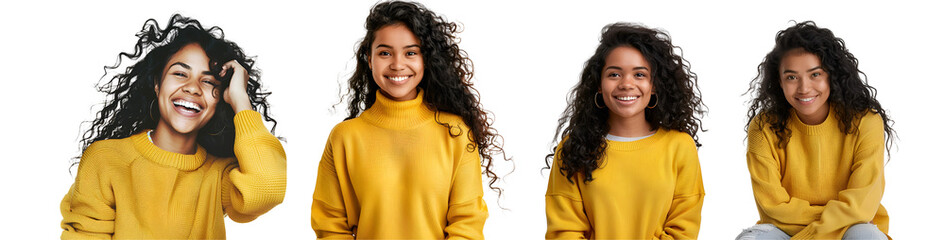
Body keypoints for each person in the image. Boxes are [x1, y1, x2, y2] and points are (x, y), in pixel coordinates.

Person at [59, 14, 285, 239]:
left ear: (221, 100)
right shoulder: (106, 159)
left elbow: (267, 189)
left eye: (207, 81)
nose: (192, 88)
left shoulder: (219, 174)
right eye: (180, 74)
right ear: (157, 84)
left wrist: (241, 101)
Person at [311, 1, 506, 239]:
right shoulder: (344, 137)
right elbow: (330, 226)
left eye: (411, 52)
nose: (397, 64)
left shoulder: (455, 132)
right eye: (385, 53)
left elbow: (467, 223)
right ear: (369, 59)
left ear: (427, 59)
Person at [545, 22, 706, 239]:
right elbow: (564, 231)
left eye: (639, 75)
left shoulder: (679, 147)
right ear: (599, 85)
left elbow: (683, 229)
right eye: (614, 74)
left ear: (655, 84)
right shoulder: (574, 148)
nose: (626, 84)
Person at [736, 21, 895, 240]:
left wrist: (809, 236)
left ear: (832, 75)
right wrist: (841, 215)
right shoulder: (763, 128)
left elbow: (862, 206)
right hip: (786, 229)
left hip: (853, 229)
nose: (804, 88)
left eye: (815, 74)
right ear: (779, 82)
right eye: (791, 77)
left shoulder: (866, 122)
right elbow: (772, 207)